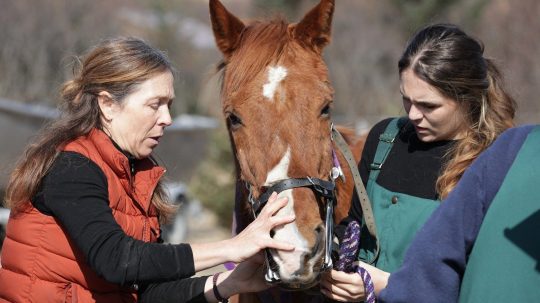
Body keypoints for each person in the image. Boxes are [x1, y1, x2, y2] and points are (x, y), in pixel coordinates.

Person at [0, 37, 295, 303]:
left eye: (169, 105)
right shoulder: (72, 167)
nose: (167, 118)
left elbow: (148, 292)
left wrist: (229, 282)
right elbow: (116, 260)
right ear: (108, 105)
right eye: (155, 105)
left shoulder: (138, 178)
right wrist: (232, 248)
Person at [321, 23, 517, 301]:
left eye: (428, 106)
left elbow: (487, 280)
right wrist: (336, 261)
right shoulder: (384, 139)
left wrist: (385, 285)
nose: (413, 115)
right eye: (406, 100)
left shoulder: (497, 162)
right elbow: (354, 224)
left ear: (467, 98)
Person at [376, 124, 540, 302]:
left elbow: (430, 267)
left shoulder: (515, 147)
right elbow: (434, 259)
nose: (414, 114)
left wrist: (390, 286)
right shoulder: (513, 148)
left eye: (430, 106)